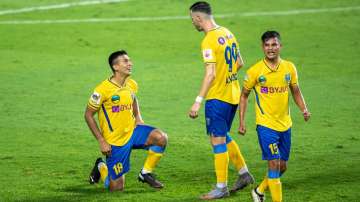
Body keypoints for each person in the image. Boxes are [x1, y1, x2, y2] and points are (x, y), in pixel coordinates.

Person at [188, 1, 254, 199]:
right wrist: (228, 77)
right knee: (223, 135)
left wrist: (198, 100)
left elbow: (210, 74)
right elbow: (240, 62)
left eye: (192, 19)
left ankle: (221, 187)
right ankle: (244, 174)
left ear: (199, 18)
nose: (193, 23)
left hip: (217, 98)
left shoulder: (208, 40)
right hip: (232, 95)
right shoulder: (227, 32)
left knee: (217, 140)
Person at [238, 31, 311, 202]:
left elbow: (296, 91)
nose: (271, 48)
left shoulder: (289, 68)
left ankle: (259, 190)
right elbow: (243, 96)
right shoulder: (255, 71)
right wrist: (242, 122)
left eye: (274, 45)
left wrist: (304, 109)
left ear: (280, 46)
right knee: (274, 163)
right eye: (267, 45)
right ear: (263, 47)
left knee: (282, 166)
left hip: (285, 124)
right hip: (266, 125)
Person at [84, 50, 168, 191]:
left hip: (133, 131)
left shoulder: (131, 84)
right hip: (115, 141)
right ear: (115, 67)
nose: (130, 63)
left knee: (161, 138)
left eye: (130, 60)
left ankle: (145, 173)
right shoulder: (102, 90)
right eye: (125, 61)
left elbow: (133, 98)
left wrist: (138, 118)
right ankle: (101, 167)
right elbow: (88, 115)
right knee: (116, 187)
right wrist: (101, 140)